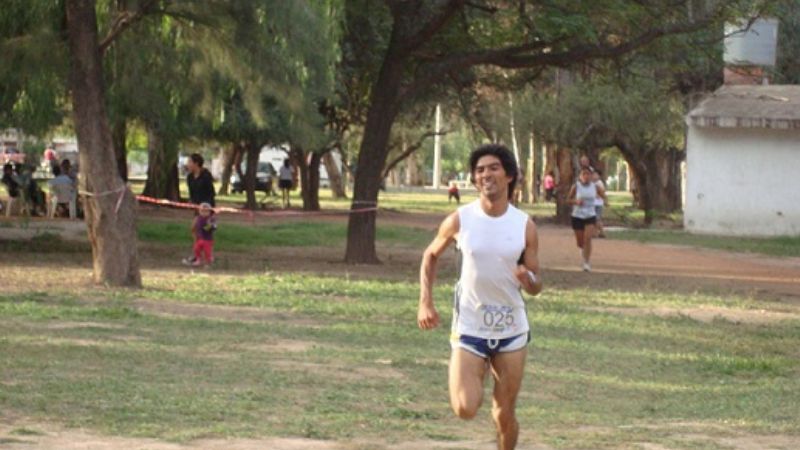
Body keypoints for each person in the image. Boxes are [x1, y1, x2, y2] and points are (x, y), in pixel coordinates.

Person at [418, 144, 543, 450]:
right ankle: (477, 367)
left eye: (494, 168)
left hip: (511, 329)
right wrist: (425, 301)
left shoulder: (524, 225)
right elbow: (430, 255)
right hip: (470, 328)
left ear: (509, 176)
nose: (486, 174)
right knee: (464, 407)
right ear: (474, 180)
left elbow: (537, 284)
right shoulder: (460, 219)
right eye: (480, 170)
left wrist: (528, 279)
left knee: (504, 415)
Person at [567, 166, 604, 272]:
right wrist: (576, 202)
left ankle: (586, 262)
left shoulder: (595, 187)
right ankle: (583, 251)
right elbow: (568, 199)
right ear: (580, 176)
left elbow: (603, 195)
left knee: (588, 238)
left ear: (591, 176)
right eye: (584, 174)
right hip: (577, 216)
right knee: (580, 242)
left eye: (588, 174)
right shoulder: (576, 186)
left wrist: (605, 201)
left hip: (590, 215)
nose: (586, 176)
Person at [183, 202, 217, 267]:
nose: (204, 213)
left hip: (207, 239)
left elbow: (213, 227)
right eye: (202, 211)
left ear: (210, 212)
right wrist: (194, 232)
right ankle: (198, 260)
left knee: (207, 252)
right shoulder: (198, 218)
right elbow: (194, 227)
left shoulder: (211, 219)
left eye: (206, 211)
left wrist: (210, 226)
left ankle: (208, 262)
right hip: (199, 238)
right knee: (196, 249)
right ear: (199, 211)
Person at [593, 169, 608, 238]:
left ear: (599, 176)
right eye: (593, 174)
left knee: (597, 219)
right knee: (594, 219)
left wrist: (605, 200)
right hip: (592, 204)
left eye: (596, 175)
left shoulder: (599, 183)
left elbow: (602, 193)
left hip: (598, 204)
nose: (594, 176)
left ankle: (601, 232)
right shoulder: (592, 183)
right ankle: (596, 233)